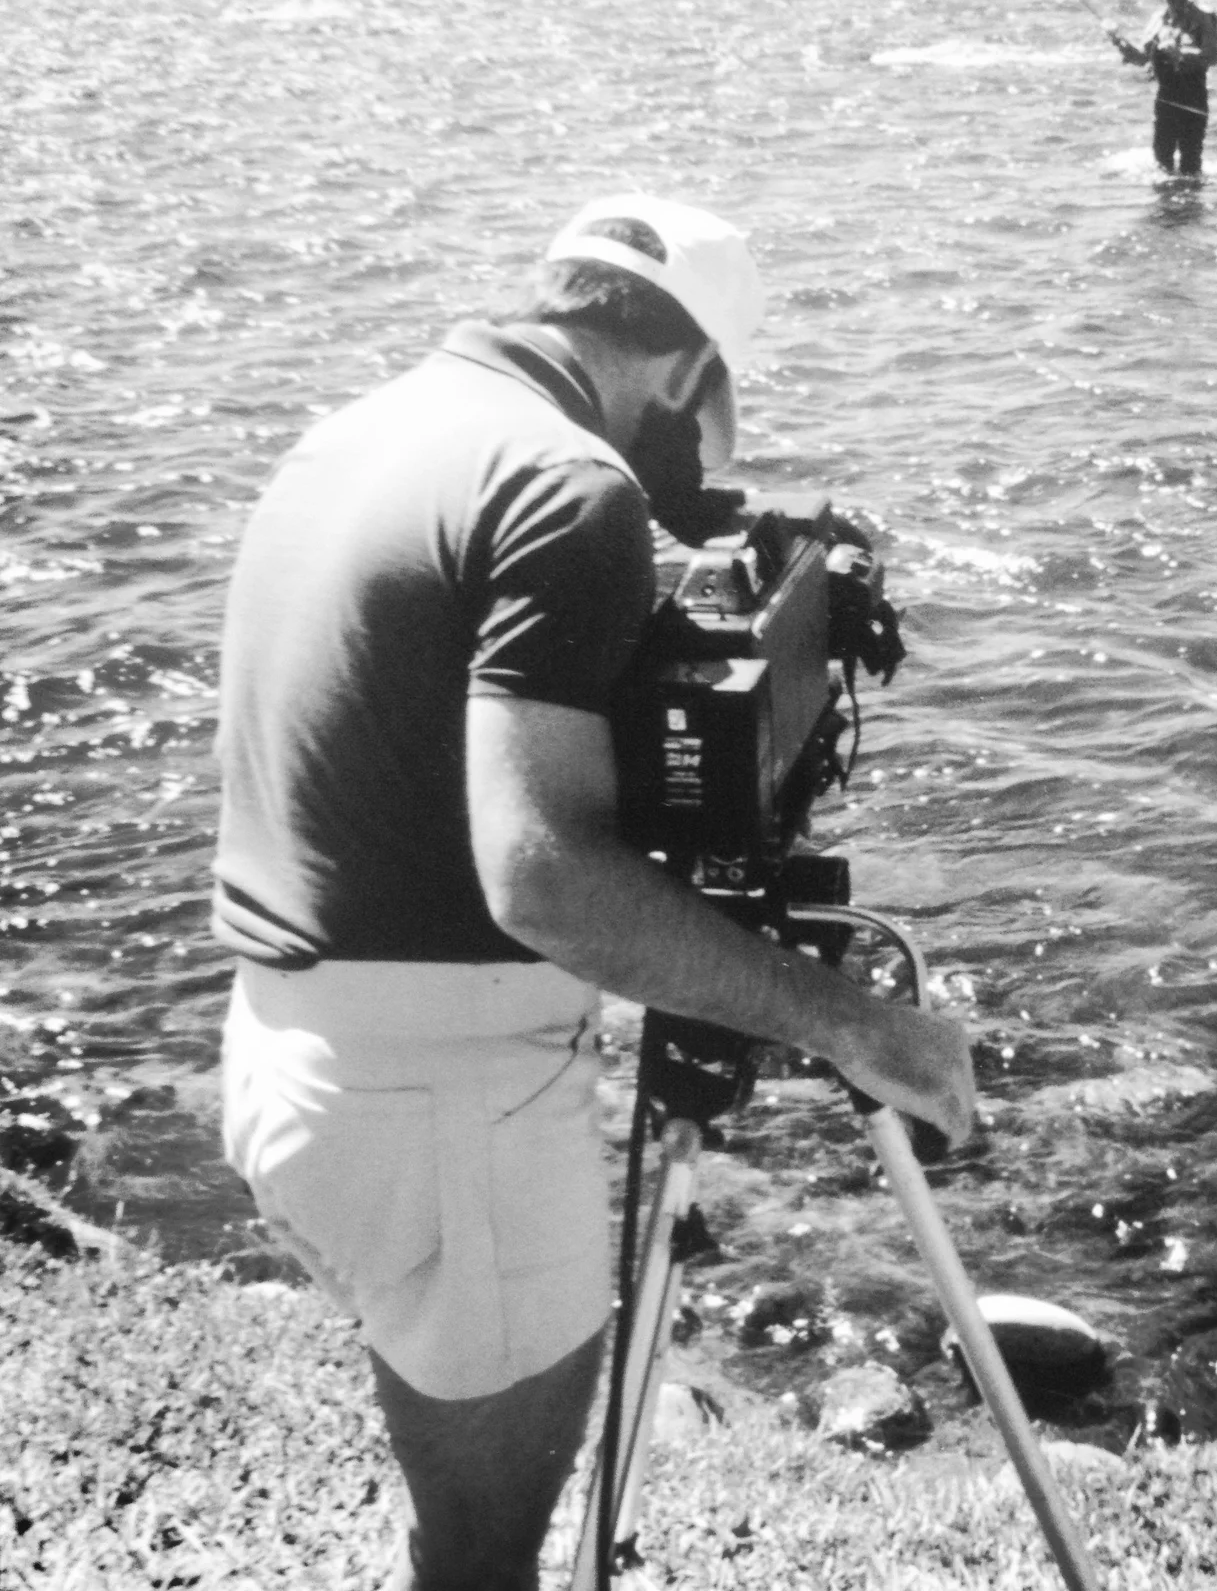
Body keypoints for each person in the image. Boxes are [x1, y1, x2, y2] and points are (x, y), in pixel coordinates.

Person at [211, 193, 978, 1591]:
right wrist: (852, 1024)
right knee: (487, 1563)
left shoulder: (373, 426)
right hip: (443, 1109)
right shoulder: (568, 486)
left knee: (455, 1529)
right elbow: (546, 879)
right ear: (686, 372)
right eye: (713, 416)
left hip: (291, 1055)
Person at [1115, 0, 1217, 177]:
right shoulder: (1158, 20)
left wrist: (1181, 54)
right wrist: (1123, 46)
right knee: (1162, 162)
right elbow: (1143, 58)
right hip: (1166, 99)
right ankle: (1166, 206)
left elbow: (1212, 57)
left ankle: (1191, 206)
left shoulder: (1202, 20)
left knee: (1190, 163)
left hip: (1193, 99)